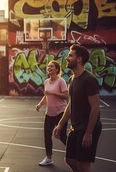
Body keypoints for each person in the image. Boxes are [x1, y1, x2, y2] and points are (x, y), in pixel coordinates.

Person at [53, 44, 102, 172]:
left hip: (87, 128)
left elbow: (95, 107)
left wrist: (89, 133)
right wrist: (60, 125)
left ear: (79, 59)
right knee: (70, 159)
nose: (67, 58)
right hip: (75, 127)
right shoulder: (71, 79)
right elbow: (70, 105)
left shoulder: (89, 80)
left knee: (83, 164)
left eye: (70, 55)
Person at [35, 60, 68, 166]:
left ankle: (74, 153)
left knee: (62, 135)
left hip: (60, 112)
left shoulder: (61, 81)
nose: (49, 68)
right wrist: (40, 104)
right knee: (47, 136)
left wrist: (52, 92)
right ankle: (49, 158)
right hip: (49, 113)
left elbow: (66, 96)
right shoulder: (46, 82)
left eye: (52, 66)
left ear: (57, 69)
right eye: (48, 66)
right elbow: (46, 96)